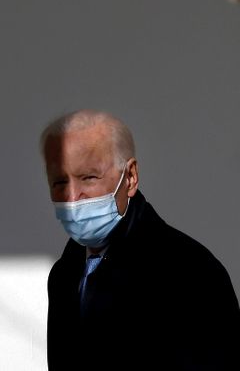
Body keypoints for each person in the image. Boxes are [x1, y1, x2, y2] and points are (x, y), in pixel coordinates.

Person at [41, 109, 240, 370]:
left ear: (131, 177)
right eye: (59, 181)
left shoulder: (189, 271)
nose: (72, 195)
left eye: (88, 177)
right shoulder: (65, 274)